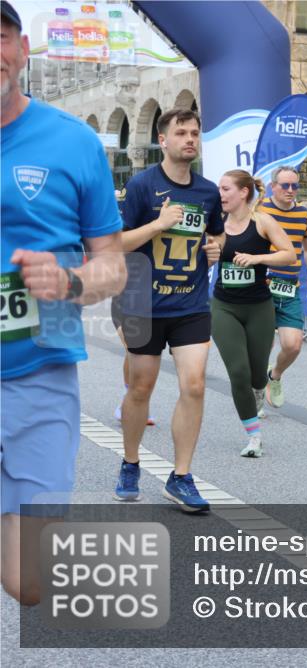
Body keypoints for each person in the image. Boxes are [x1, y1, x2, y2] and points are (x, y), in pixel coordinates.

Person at [1, 0, 126, 603]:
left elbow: (113, 265)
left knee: (31, 583)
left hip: (39, 364)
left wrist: (69, 283)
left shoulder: (73, 142)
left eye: (0, 37)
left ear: (23, 50)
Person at [114, 107, 226, 512]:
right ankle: (130, 462)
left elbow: (216, 237)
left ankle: (181, 476)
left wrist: (217, 249)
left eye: (195, 132)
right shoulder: (142, 187)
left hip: (190, 304)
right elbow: (118, 243)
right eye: (181, 133)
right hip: (143, 302)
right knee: (141, 386)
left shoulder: (209, 192)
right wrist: (157, 225)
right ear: (163, 140)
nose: (190, 139)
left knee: (194, 384)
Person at [212, 171, 294, 457]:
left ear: (243, 192)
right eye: (219, 189)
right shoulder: (216, 224)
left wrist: (257, 258)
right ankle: (254, 437)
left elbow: (289, 254)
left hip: (259, 307)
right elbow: (199, 255)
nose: (220, 194)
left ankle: (262, 386)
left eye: (225, 189)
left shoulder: (263, 222)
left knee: (257, 375)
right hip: (223, 306)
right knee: (238, 371)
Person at [258, 166, 307, 412]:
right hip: (263, 287)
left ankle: (275, 375)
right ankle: (256, 395)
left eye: (295, 186)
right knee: (262, 345)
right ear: (274, 186)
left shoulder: (303, 214)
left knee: (293, 345)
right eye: (286, 186)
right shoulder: (261, 210)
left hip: (289, 288)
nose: (291, 190)